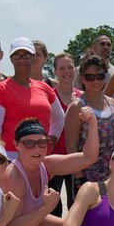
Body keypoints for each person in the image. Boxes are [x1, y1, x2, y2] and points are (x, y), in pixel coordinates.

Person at [0, 37, 65, 159]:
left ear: (33, 58)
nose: (22, 60)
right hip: (11, 159)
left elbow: (59, 118)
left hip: (41, 159)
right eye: (17, 55)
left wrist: (52, 139)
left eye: (26, 55)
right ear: (11, 59)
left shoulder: (44, 87)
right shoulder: (0, 89)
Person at [65, 55, 114, 192]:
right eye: (90, 77)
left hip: (112, 174)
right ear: (82, 78)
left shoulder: (113, 104)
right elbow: (71, 145)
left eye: (100, 76)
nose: (95, 81)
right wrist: (79, 178)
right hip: (86, 177)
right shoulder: (76, 107)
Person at [49, 52, 81, 210]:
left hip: (76, 158)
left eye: (70, 67)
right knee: (53, 206)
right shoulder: (49, 96)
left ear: (75, 69)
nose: (66, 71)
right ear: (55, 71)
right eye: (62, 68)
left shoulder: (83, 97)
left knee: (75, 204)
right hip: (54, 157)